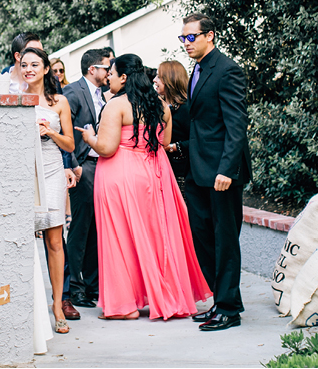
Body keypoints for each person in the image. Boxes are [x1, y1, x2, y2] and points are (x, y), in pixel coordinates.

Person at [76, 54, 211, 320]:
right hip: (154, 174)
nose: (109, 78)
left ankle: (124, 305)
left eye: (112, 73)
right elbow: (164, 142)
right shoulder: (160, 106)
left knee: (120, 238)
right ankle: (167, 295)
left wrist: (90, 137)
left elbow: (107, 148)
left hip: (120, 174)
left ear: (124, 77)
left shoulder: (116, 105)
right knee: (156, 236)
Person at [179, 13, 252, 331]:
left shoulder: (227, 70)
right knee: (202, 237)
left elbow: (236, 125)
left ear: (209, 35)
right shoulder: (197, 70)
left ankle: (229, 309)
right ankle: (220, 300)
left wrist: (227, 170)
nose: (186, 43)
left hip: (222, 172)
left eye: (191, 37)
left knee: (225, 241)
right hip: (198, 170)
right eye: (182, 38)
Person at [21, 47, 77, 335]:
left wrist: (51, 132)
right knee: (24, 239)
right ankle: (27, 305)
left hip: (53, 169)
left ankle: (57, 305)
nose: (28, 69)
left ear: (45, 69)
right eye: (24, 65)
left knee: (55, 240)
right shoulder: (15, 100)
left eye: (34, 64)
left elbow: (70, 144)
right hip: (24, 171)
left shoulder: (60, 102)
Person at [63, 48, 110, 308]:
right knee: (80, 228)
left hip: (101, 165)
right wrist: (73, 164)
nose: (109, 72)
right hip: (83, 166)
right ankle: (75, 287)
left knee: (95, 228)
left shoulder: (104, 94)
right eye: (106, 67)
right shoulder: (73, 92)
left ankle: (93, 285)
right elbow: (63, 130)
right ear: (93, 69)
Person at [155, 60, 190, 198]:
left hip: (182, 174)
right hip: (163, 171)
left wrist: (173, 147)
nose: (154, 80)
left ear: (170, 80)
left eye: (159, 77)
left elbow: (197, 140)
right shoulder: (160, 107)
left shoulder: (185, 109)